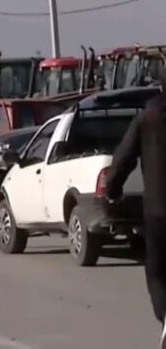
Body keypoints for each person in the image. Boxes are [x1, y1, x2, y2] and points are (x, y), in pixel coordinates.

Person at [103, 89, 166, 347]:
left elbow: (122, 159)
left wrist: (112, 190)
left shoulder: (147, 117)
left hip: (158, 211)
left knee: (157, 271)